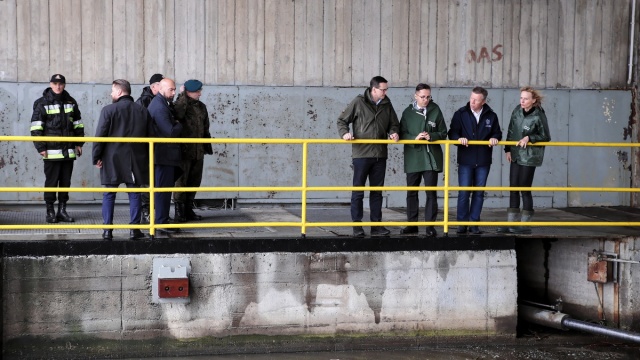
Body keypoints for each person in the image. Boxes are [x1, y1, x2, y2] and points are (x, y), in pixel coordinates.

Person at [337, 76, 400, 237]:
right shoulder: (359, 102)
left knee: (376, 192)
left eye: (386, 89)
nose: (385, 92)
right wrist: (344, 133)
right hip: (361, 154)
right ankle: (357, 226)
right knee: (358, 191)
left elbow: (394, 123)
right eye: (382, 89)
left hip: (380, 154)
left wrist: (394, 132)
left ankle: (376, 225)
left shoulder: (387, 104)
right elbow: (342, 120)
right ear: (373, 89)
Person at [92, 79, 154, 240]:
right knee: (135, 194)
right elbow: (150, 136)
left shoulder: (108, 110)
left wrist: (96, 157)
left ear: (119, 92)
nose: (111, 94)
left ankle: (107, 231)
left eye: (112, 91)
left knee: (109, 194)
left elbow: (100, 136)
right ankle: (134, 230)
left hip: (112, 159)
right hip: (136, 159)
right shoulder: (142, 111)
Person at [30, 74, 85, 223]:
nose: (58, 86)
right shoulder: (42, 103)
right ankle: (50, 211)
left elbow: (78, 125)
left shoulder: (71, 102)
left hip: (68, 151)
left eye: (60, 83)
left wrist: (79, 143)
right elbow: (36, 128)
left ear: (64, 85)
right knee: (51, 182)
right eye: (55, 83)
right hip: (52, 152)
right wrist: (41, 147)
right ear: (50, 84)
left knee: (65, 182)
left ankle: (62, 210)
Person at [497, 87, 551, 234]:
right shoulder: (517, 111)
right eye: (521, 98)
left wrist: (530, 138)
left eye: (526, 98)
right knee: (513, 187)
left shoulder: (539, 115)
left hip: (529, 156)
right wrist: (507, 149)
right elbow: (510, 129)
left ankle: (525, 225)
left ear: (533, 100)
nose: (522, 101)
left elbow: (546, 136)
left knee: (524, 188)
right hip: (515, 154)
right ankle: (511, 224)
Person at [448, 86, 502, 235]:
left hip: (484, 161)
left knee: (479, 193)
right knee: (464, 192)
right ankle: (462, 224)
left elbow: (497, 132)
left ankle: (474, 223)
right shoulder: (461, 114)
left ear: (483, 101)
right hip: (466, 159)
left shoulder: (491, 116)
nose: (472, 102)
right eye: (471, 98)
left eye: (476, 100)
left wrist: (495, 138)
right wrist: (458, 139)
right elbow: (452, 132)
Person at [399, 84, 447, 238]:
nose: (426, 100)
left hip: (431, 159)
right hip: (413, 158)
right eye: (423, 97)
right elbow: (401, 134)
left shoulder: (436, 110)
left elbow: (444, 132)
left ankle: (430, 226)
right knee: (411, 192)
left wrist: (431, 136)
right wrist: (415, 138)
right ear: (415, 96)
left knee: (431, 193)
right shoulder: (407, 113)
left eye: (428, 97)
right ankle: (412, 225)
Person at [172, 79, 213, 223]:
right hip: (184, 151)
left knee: (194, 181)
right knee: (180, 182)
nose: (200, 94)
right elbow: (177, 115)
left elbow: (205, 127)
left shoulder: (201, 107)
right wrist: (182, 96)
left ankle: (188, 209)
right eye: (197, 91)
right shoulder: (180, 105)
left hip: (198, 151)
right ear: (188, 92)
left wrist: (206, 146)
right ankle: (179, 212)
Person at [148, 78, 183, 233]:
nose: (173, 93)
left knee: (164, 189)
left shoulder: (162, 104)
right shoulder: (160, 107)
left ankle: (162, 219)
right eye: (171, 89)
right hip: (163, 156)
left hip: (164, 155)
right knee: (163, 190)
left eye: (175, 89)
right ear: (161, 89)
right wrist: (178, 124)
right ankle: (161, 221)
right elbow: (169, 132)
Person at [135, 73, 164, 223]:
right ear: (154, 86)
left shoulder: (161, 100)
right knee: (147, 181)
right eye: (161, 84)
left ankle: (155, 212)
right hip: (147, 149)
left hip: (158, 149)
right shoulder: (144, 101)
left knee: (156, 181)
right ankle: (146, 212)